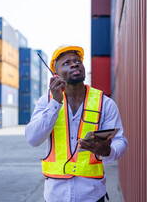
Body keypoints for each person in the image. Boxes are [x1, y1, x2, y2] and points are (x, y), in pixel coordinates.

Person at [25, 45, 128, 202]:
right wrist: (55, 102)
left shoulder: (104, 103)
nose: (74, 64)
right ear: (56, 74)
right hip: (56, 196)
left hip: (92, 195)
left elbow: (121, 141)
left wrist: (108, 151)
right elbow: (33, 138)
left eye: (77, 61)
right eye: (66, 63)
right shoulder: (46, 101)